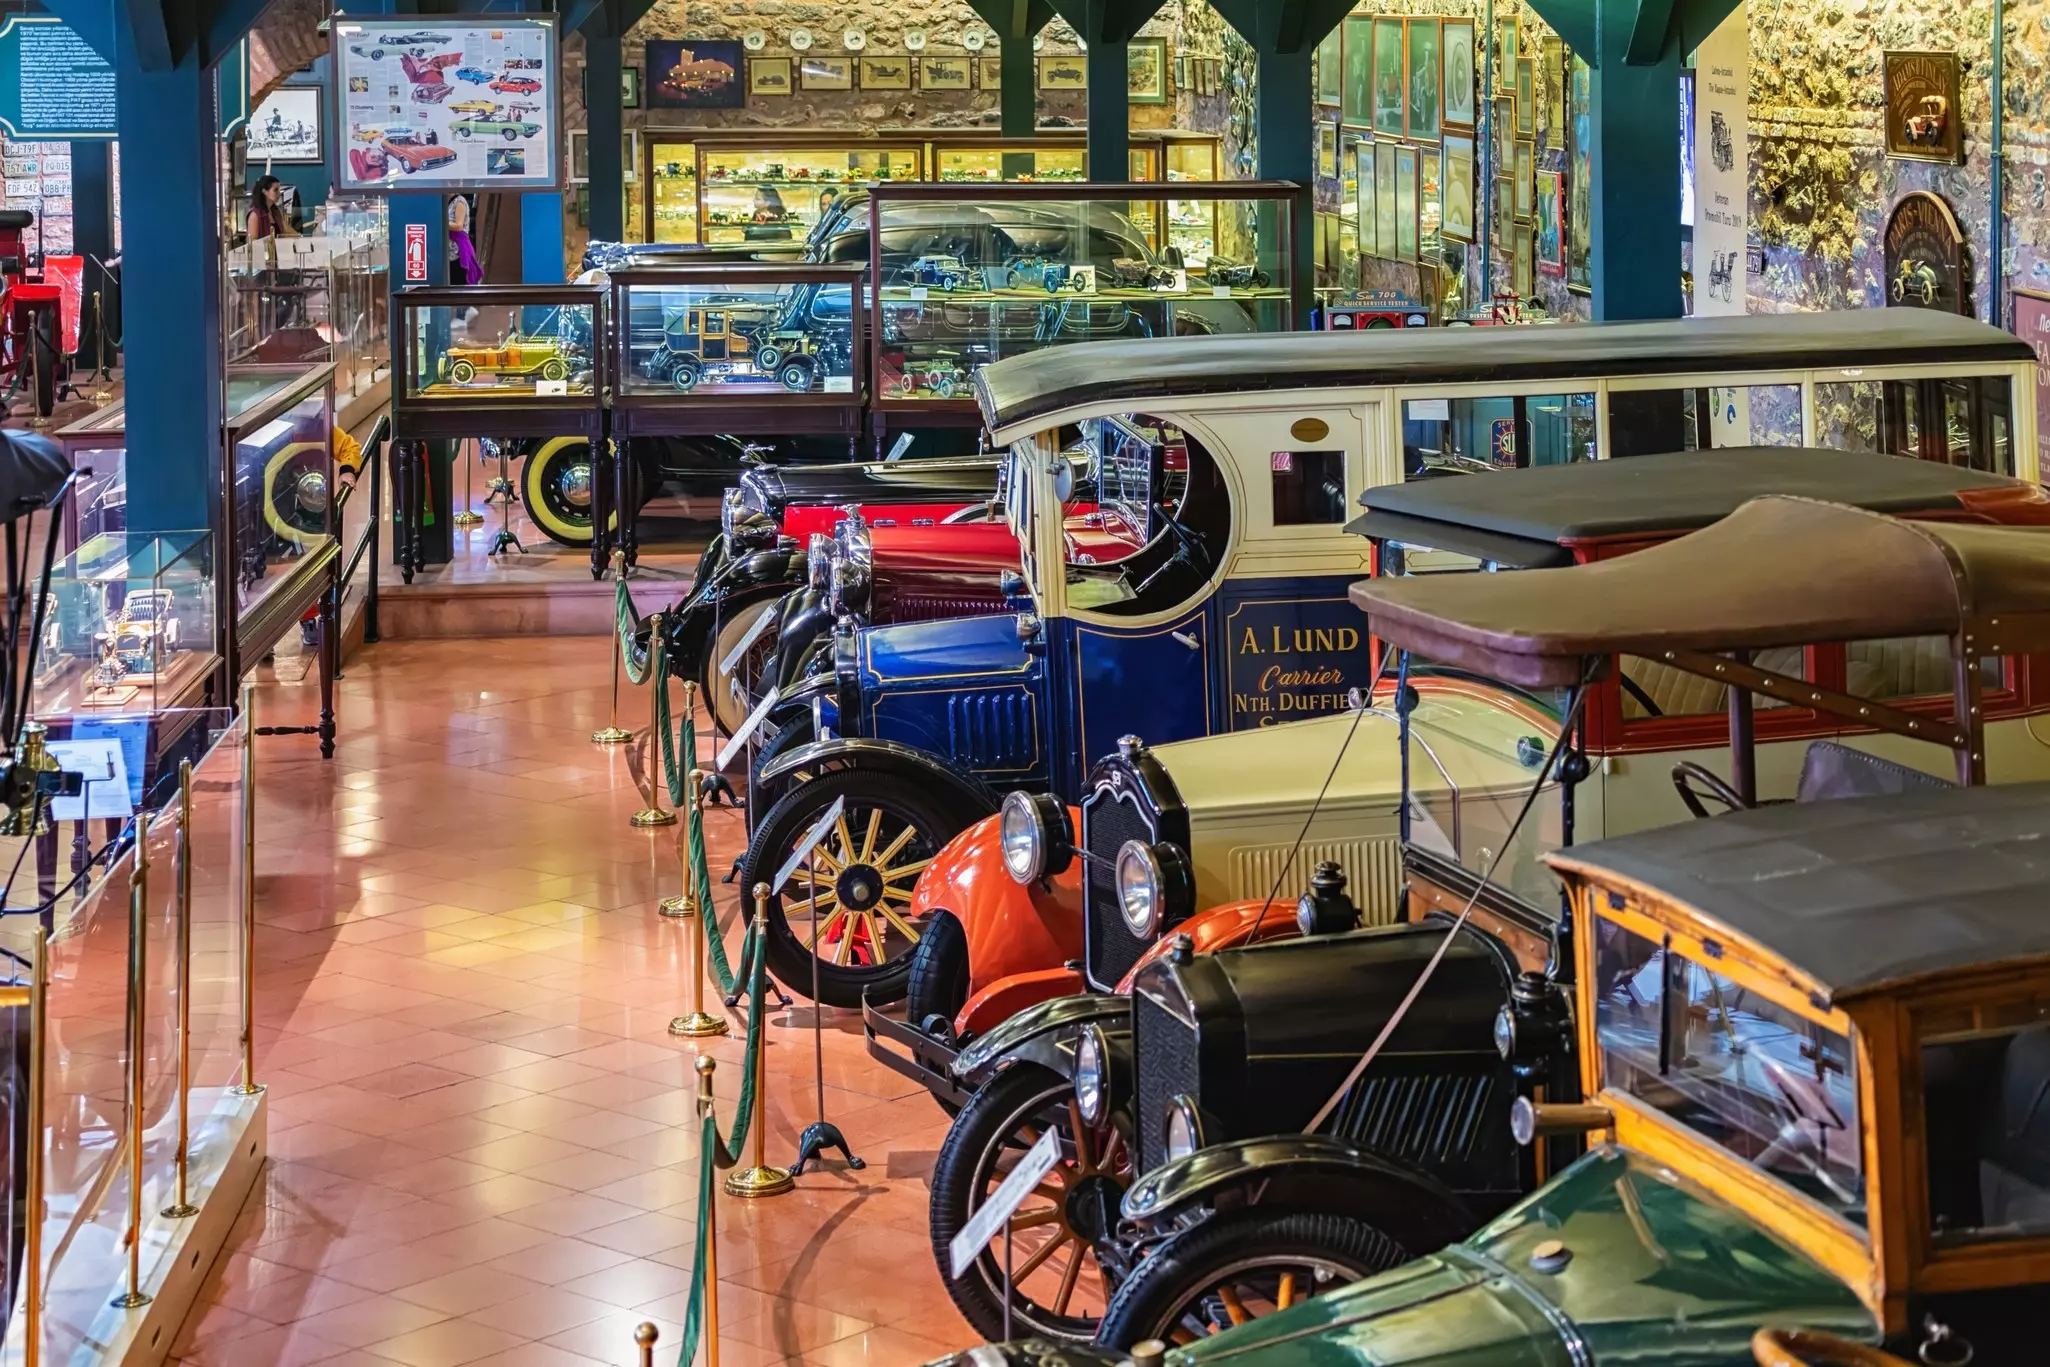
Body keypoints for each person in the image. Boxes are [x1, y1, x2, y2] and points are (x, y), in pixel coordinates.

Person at [447, 194, 480, 285]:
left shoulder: (459, 201)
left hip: (458, 250)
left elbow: (459, 225)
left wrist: (440, 221)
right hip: (447, 252)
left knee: (458, 280)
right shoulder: (444, 202)